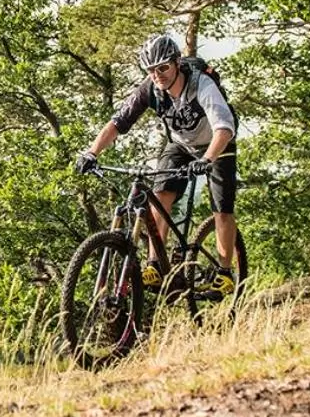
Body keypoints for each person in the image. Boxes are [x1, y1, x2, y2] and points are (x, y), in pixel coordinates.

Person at [74, 34, 240, 293]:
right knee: (160, 194)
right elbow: (117, 123)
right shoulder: (150, 89)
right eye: (151, 69)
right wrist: (92, 153)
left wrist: (207, 158)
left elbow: (224, 127)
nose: (157, 74)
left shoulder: (202, 85)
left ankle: (225, 272)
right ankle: (156, 265)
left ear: (177, 63)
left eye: (163, 67)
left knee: (222, 208)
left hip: (217, 145)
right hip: (181, 145)